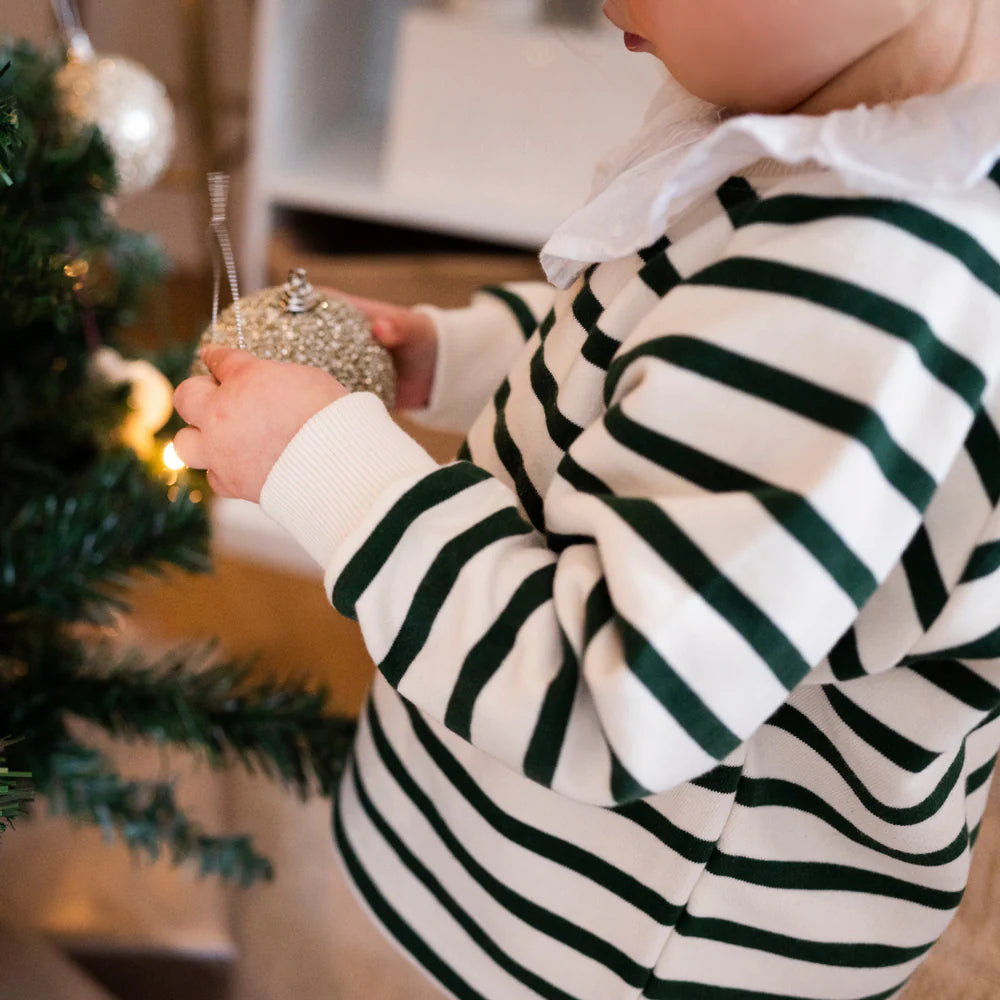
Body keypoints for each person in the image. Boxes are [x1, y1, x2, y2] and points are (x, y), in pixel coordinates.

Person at [174, 1, 1000, 997]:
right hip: (560, 872)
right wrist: (457, 354)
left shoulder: (869, 278)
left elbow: (613, 698)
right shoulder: (826, 149)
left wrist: (319, 461)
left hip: (621, 932)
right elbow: (659, 343)